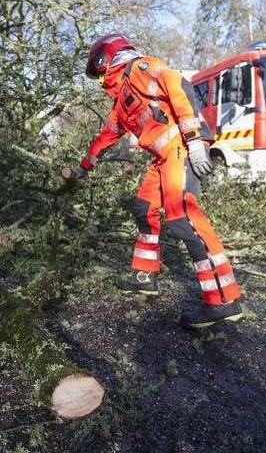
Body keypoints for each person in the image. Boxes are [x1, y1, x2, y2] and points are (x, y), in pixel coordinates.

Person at [63, 34, 243, 328]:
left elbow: (180, 87)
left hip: (181, 148)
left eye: (98, 74)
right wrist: (83, 168)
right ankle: (144, 276)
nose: (98, 81)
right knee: (143, 208)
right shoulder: (122, 101)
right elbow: (106, 136)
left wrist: (195, 141)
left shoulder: (142, 69)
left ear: (106, 61)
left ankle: (222, 300)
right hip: (161, 158)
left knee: (183, 218)